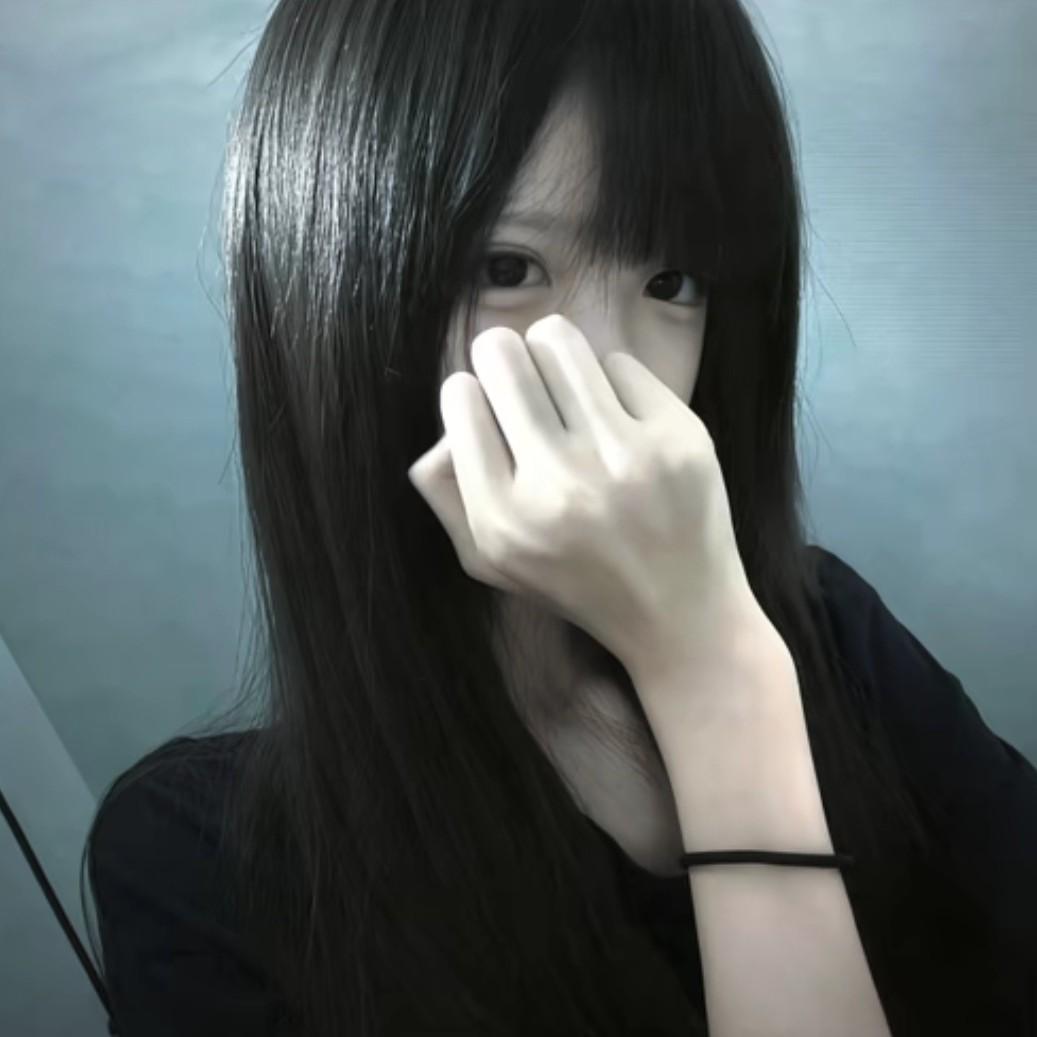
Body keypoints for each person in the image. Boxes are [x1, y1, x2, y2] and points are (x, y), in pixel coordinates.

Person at [81, 1, 1037, 1035]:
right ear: (338, 295)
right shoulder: (210, 867)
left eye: (670, 280)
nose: (611, 374)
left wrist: (715, 660)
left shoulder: (831, 638)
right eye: (508, 269)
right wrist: (709, 673)